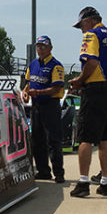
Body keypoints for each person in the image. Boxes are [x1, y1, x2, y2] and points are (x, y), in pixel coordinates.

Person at [67, 7, 107, 197]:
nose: (81, 30)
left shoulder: (92, 35)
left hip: (95, 90)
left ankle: (83, 182)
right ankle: (105, 182)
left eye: (81, 25)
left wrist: (79, 81)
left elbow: (91, 62)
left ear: (89, 21)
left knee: (85, 137)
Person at [22, 35, 66, 183]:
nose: (40, 49)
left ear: (50, 48)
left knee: (53, 140)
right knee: (36, 140)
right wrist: (25, 92)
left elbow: (57, 88)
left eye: (43, 46)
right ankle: (43, 171)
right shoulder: (32, 64)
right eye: (38, 47)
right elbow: (28, 83)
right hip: (35, 107)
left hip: (51, 106)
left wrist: (38, 93)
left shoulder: (56, 65)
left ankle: (58, 173)